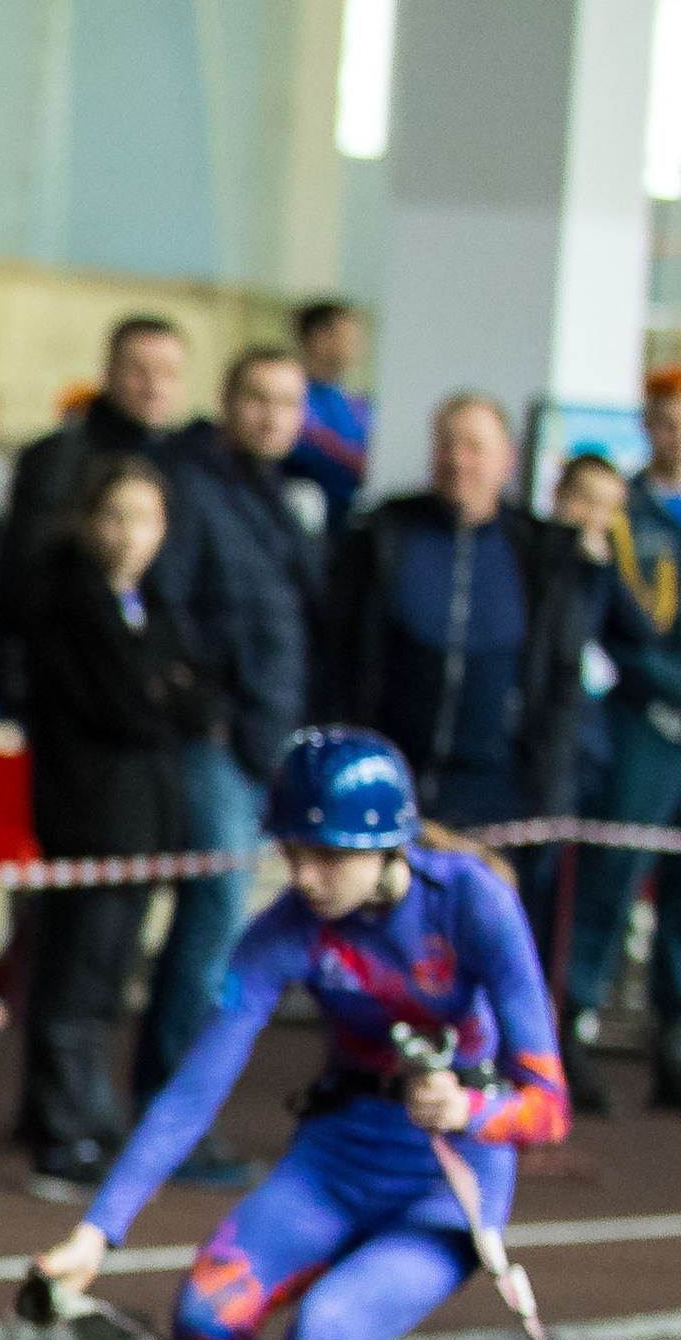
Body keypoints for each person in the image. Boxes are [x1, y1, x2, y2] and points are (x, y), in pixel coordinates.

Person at [32, 728, 569, 1340]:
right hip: (336, 1155)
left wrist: (473, 1107)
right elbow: (193, 1088)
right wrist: (96, 1231)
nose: (306, 874)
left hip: (442, 1186)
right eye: (294, 851)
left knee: (325, 1333)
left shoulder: (475, 902)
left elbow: (548, 1102)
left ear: (389, 845)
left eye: (328, 854)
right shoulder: (284, 930)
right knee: (202, 1315)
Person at [136, 345, 327, 1156]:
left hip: (270, 740)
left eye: (288, 402)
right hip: (217, 739)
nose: (271, 416)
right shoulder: (191, 486)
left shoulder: (288, 499)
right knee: (213, 922)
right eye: (257, 397)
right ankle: (170, 1111)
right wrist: (209, 713)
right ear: (227, 399)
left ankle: (176, 1107)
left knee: (223, 924)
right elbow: (171, 608)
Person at [17, 455, 207, 1198]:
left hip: (144, 818)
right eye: (116, 516)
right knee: (78, 973)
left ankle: (75, 1114)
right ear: (89, 521)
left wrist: (168, 693)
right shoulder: (71, 603)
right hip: (91, 817)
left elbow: (191, 699)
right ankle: (64, 1131)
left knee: (103, 975)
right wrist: (162, 693)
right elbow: (130, 704)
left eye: (146, 519)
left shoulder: (152, 606)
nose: (130, 535)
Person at [320, 393, 591, 830]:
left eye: (474, 447)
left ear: (507, 459)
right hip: (388, 778)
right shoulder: (382, 535)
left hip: (498, 792)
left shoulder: (542, 554)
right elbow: (339, 654)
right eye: (446, 445)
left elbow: (561, 679)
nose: (457, 460)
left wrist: (548, 790)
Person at [564, 379, 681, 1112]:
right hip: (645, 724)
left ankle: (674, 1041)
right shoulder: (622, 514)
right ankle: (569, 1025)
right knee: (611, 878)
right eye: (665, 422)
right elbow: (607, 626)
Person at [0, 315, 187, 627]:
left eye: (168, 373)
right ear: (108, 372)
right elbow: (29, 580)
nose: (155, 386)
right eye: (139, 371)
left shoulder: (180, 464)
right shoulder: (58, 458)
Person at [288, 300, 372, 528]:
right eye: (350, 337)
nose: (359, 347)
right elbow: (315, 445)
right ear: (320, 339)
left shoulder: (359, 406)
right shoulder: (290, 398)